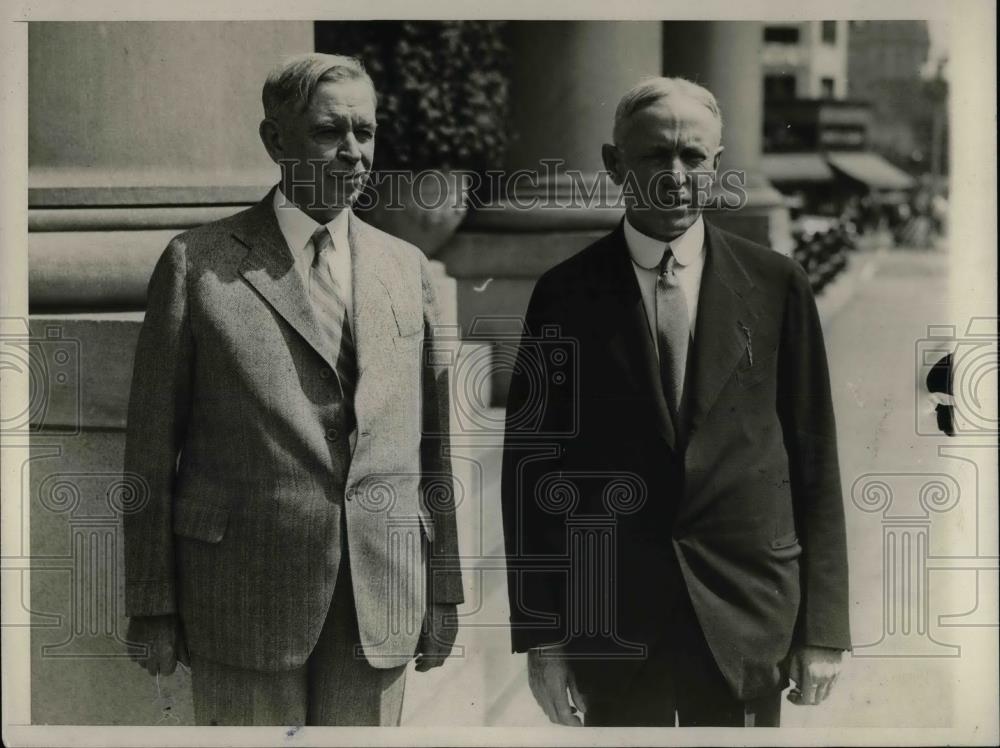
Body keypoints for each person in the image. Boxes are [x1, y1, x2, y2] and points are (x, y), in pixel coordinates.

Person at [122, 53, 464, 726]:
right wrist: (151, 600)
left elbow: (435, 446)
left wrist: (444, 588)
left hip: (383, 593)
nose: (354, 153)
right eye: (329, 132)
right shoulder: (198, 265)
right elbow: (150, 448)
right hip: (239, 598)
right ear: (276, 141)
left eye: (365, 133)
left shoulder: (407, 268)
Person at [501, 77, 851, 727]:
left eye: (693, 158)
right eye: (654, 156)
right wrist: (543, 641)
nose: (675, 175)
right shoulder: (565, 295)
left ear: (716, 167)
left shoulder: (777, 286)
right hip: (614, 629)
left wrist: (823, 629)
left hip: (746, 618)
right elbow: (530, 477)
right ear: (614, 165)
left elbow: (815, 463)